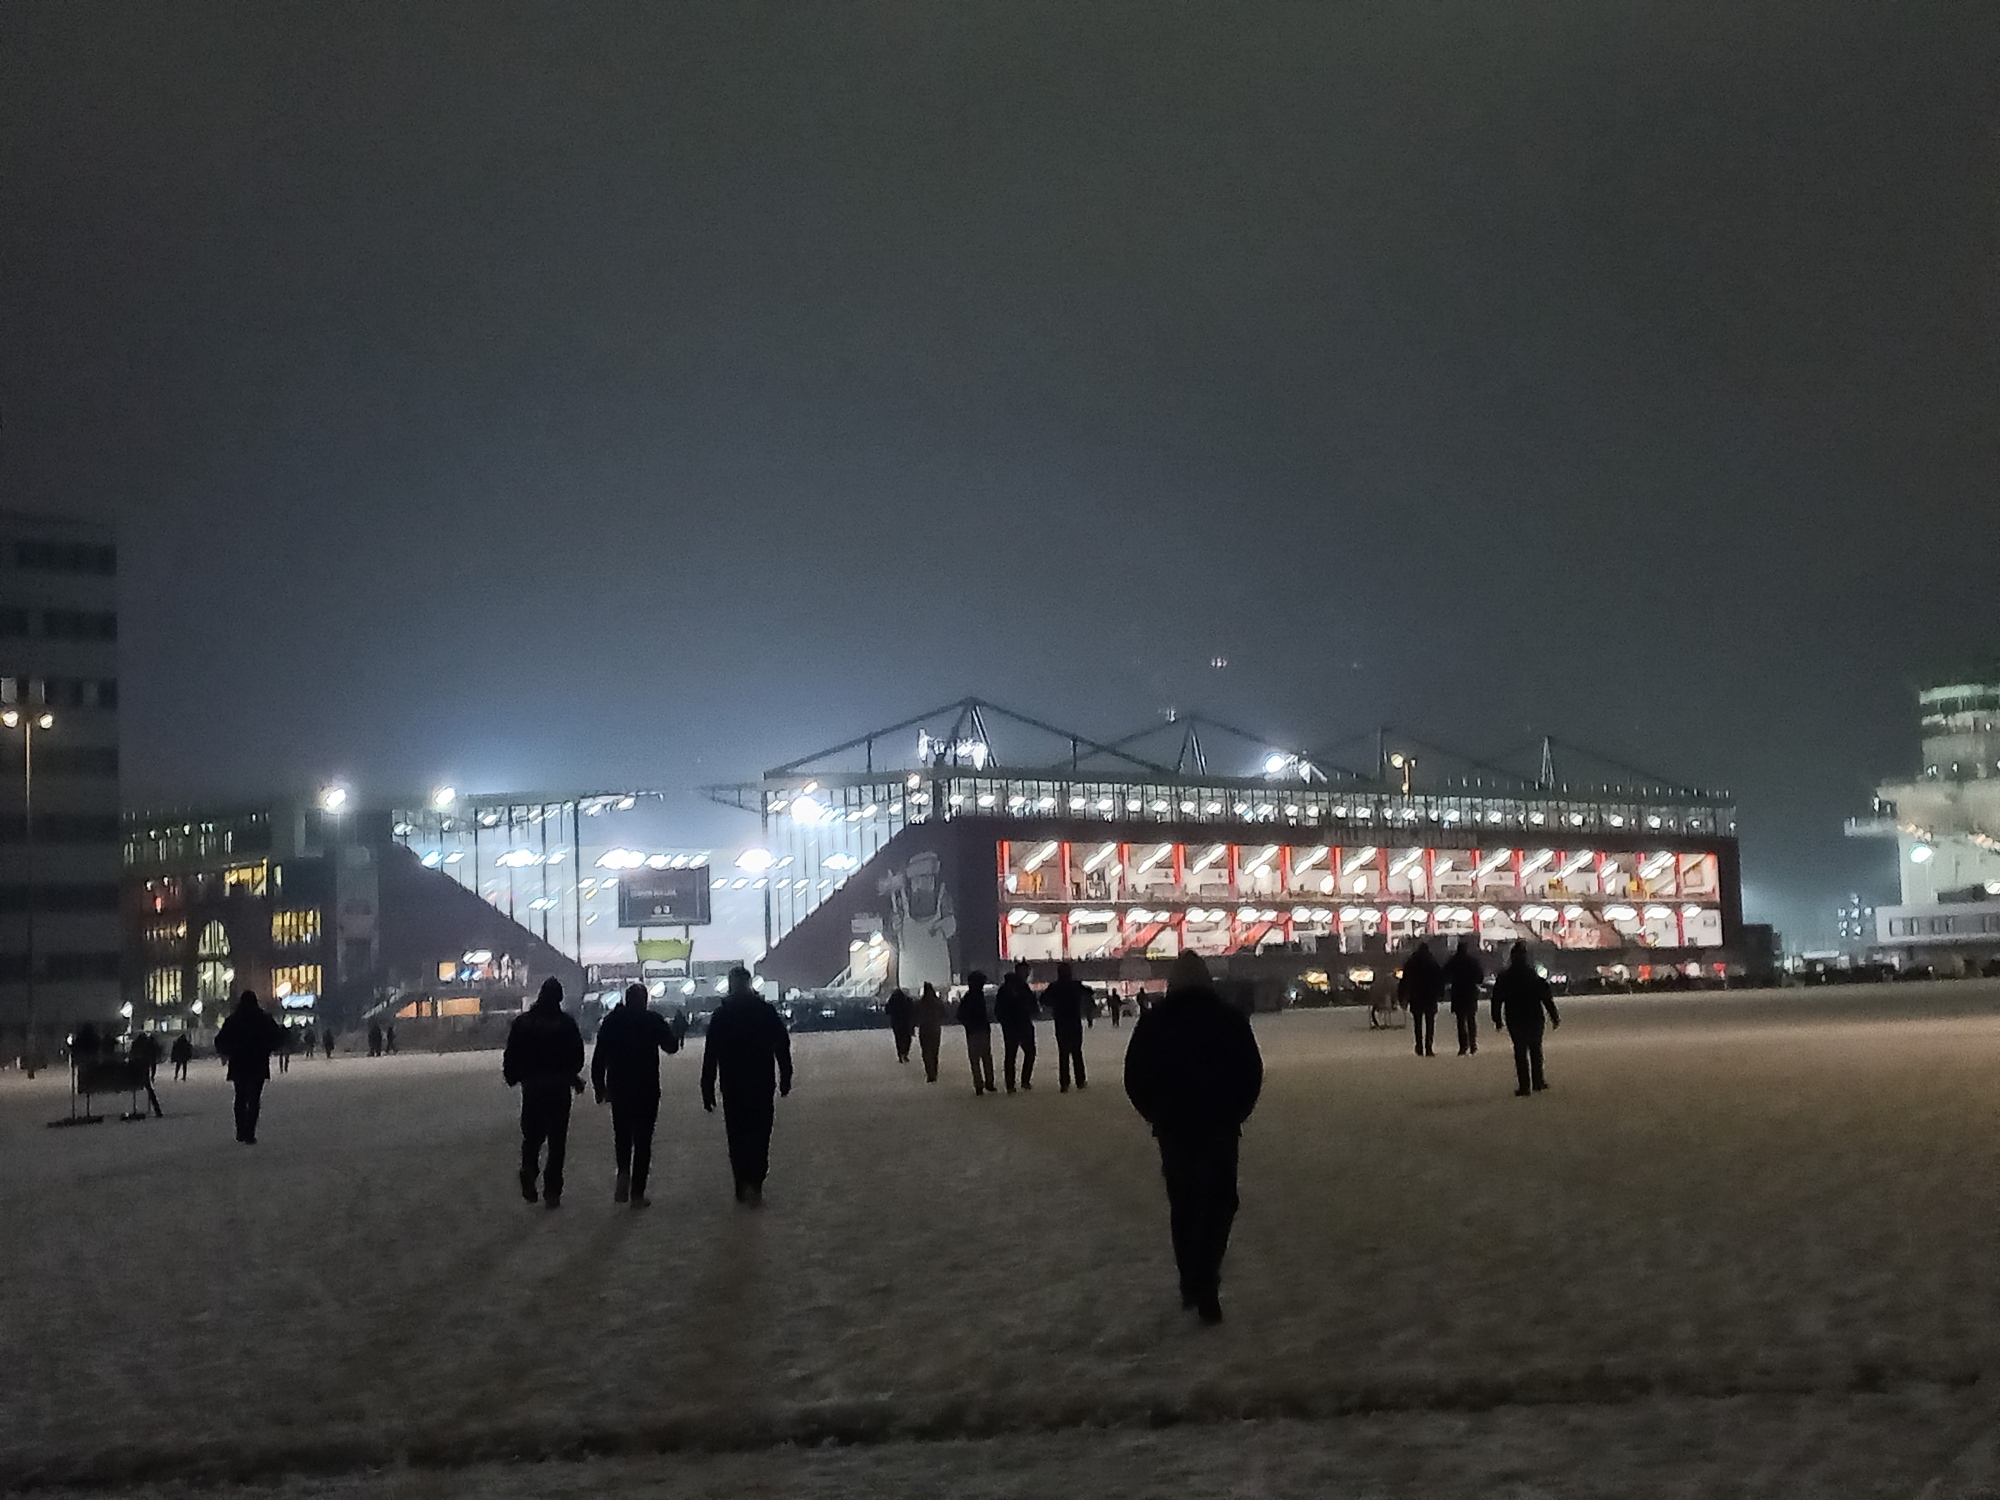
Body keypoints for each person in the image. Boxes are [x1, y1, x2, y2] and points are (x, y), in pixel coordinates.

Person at [1123, 951, 1263, 1325]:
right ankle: (1207, 1278)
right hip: (1219, 1124)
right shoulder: (1228, 1019)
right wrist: (1236, 1111)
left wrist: (1156, 1113)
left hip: (1174, 1126)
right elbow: (1250, 1071)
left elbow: (1135, 1075)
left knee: (1184, 1204)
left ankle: (1190, 1277)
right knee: (1220, 1202)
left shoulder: (1155, 1022)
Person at [700, 968, 793, 1204]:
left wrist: (707, 1086)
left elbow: (711, 1054)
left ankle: (742, 1182)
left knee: (737, 1135)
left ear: (731, 985)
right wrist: (785, 1075)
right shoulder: (765, 1011)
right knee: (761, 1133)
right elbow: (782, 1043)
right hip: (761, 1081)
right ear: (749, 984)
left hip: (733, 1084)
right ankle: (756, 1179)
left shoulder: (722, 1015)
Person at [590, 982, 681, 1207]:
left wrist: (599, 1087)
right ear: (645, 1000)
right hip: (646, 1087)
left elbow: (599, 1057)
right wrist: (677, 1031)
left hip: (619, 1087)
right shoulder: (652, 1020)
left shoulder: (612, 1021)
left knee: (622, 1135)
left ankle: (623, 1171)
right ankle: (637, 1193)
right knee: (643, 1141)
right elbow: (671, 1047)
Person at [503, 977, 586, 1207]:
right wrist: (572, 1076)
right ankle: (552, 1190)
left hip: (532, 1087)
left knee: (532, 1136)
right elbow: (576, 1056)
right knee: (557, 1141)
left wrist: (513, 1075)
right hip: (558, 1088)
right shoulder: (566, 1024)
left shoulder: (523, 1023)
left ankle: (529, 1168)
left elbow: (512, 1053)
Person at [215, 991, 285, 1144]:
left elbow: (220, 1040)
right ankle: (249, 1132)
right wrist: (267, 1048)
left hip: (239, 1062)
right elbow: (277, 1037)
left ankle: (240, 1130)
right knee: (254, 1099)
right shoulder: (263, 1019)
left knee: (240, 1097)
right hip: (258, 1063)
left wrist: (229, 1052)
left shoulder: (233, 1020)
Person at [1491, 942, 1561, 1096]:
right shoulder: (1533, 976)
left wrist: (1497, 1019)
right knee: (1536, 1049)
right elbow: (1546, 997)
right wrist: (1554, 1016)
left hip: (1515, 1017)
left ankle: (1524, 1085)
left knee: (1520, 1050)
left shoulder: (1505, 977)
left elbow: (1497, 999)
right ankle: (1538, 1081)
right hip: (1534, 1016)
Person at [1041, 962, 1093, 1092]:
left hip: (1061, 1022)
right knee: (1077, 1052)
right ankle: (1080, 1080)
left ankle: (1064, 1083)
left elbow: (1044, 1000)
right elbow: (1089, 992)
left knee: (1063, 1054)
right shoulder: (1075, 985)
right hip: (1074, 1021)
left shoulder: (1054, 987)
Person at [993, 960, 1038, 1092]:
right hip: (1022, 1024)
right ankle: (1024, 1081)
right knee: (1028, 1053)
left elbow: (998, 1009)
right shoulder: (1022, 988)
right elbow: (1032, 1005)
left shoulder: (1005, 988)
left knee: (1011, 1055)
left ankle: (1011, 1084)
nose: (1027, 974)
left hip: (1011, 1026)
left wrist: (1004, 1022)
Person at [1397, 941, 1445, 1057]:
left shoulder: (1411, 963)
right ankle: (1428, 1046)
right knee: (1430, 1023)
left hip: (1416, 995)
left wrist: (1402, 996)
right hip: (1430, 996)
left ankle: (1419, 1045)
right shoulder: (1432, 963)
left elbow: (1404, 981)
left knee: (1417, 1023)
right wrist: (1440, 993)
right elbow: (1439, 979)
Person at [1442, 937, 1485, 1056]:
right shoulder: (1472, 961)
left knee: (1460, 1020)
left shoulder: (1453, 961)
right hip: (1470, 992)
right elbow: (1480, 977)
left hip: (1458, 992)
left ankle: (1463, 1045)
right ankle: (1473, 1043)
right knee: (1471, 1018)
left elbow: (1445, 974)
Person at [958, 971, 996, 1096]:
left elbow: (960, 1015)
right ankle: (988, 1082)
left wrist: (968, 1024)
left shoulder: (968, 998)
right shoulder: (977, 997)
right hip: (981, 1030)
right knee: (986, 1057)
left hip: (973, 1031)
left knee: (975, 1059)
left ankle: (979, 1084)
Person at [913, 981, 946, 1083]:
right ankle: (934, 1072)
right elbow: (944, 1014)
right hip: (935, 1028)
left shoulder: (920, 1003)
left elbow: (915, 1015)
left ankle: (929, 1072)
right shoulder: (938, 1002)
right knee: (934, 1051)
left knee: (926, 1051)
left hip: (924, 1029)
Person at [129, 1030, 165, 1117]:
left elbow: (132, 1056)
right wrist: (152, 1074)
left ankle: (154, 1109)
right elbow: (152, 1060)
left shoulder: (136, 1044)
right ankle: (157, 1109)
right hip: (144, 1069)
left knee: (142, 1086)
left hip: (135, 1070)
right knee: (149, 1088)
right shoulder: (149, 1045)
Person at [883, 987, 915, 1065]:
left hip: (896, 1023)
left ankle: (900, 1054)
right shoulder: (907, 1000)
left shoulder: (892, 1001)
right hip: (906, 1023)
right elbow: (912, 1010)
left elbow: (887, 1010)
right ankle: (905, 1053)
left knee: (898, 1039)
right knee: (907, 1039)